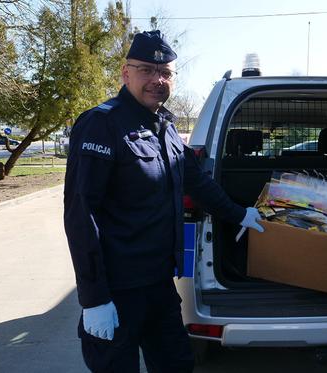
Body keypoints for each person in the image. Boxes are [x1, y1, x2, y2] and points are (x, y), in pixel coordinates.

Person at [63, 30, 264, 372]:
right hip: (118, 288)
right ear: (125, 73)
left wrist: (239, 214)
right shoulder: (101, 125)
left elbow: (196, 181)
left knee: (177, 364)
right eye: (146, 70)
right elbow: (82, 215)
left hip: (158, 283)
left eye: (166, 73)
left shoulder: (164, 128)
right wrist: (94, 297)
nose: (157, 80)